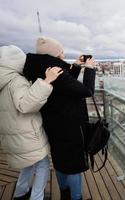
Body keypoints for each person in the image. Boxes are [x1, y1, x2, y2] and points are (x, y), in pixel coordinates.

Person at [23, 37, 96, 200]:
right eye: (60, 51)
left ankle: (64, 194)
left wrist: (76, 66)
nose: (63, 54)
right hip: (69, 125)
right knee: (73, 165)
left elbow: (64, 85)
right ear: (53, 54)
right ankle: (76, 197)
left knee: (60, 160)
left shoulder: (40, 68)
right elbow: (87, 91)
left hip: (52, 123)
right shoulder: (57, 71)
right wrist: (90, 69)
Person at [0, 45, 63, 200]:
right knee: (42, 165)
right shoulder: (16, 81)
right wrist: (46, 81)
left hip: (13, 135)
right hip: (28, 134)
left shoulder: (3, 79)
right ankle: (36, 197)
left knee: (27, 164)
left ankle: (20, 194)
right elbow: (26, 105)